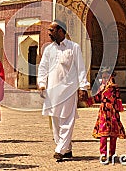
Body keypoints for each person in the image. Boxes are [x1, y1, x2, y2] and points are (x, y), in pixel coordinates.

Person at [37, 20, 89, 162]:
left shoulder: (73, 48)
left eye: (51, 30)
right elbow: (43, 68)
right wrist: (42, 83)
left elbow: (81, 68)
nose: (49, 33)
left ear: (61, 31)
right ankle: (67, 149)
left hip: (69, 89)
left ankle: (60, 149)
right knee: (55, 119)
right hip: (52, 90)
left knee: (67, 119)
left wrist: (83, 87)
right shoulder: (48, 49)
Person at [92, 68, 126, 164]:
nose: (105, 78)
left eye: (107, 76)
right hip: (104, 112)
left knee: (113, 135)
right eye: (103, 77)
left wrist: (108, 90)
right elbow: (97, 98)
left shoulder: (115, 88)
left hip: (113, 111)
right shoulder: (101, 87)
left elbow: (116, 99)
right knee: (103, 134)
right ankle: (103, 154)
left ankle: (112, 154)